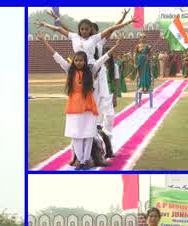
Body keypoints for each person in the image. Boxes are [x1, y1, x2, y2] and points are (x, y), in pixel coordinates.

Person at [36, 33, 123, 169]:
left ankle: (84, 161)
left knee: (88, 134)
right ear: (73, 61)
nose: (78, 63)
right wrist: (45, 42)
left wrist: (117, 46)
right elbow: (57, 57)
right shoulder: (69, 70)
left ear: (85, 61)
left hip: (89, 107)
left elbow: (102, 59)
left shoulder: (91, 70)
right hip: (74, 108)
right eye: (76, 60)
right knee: (76, 135)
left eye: (81, 60)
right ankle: (80, 160)